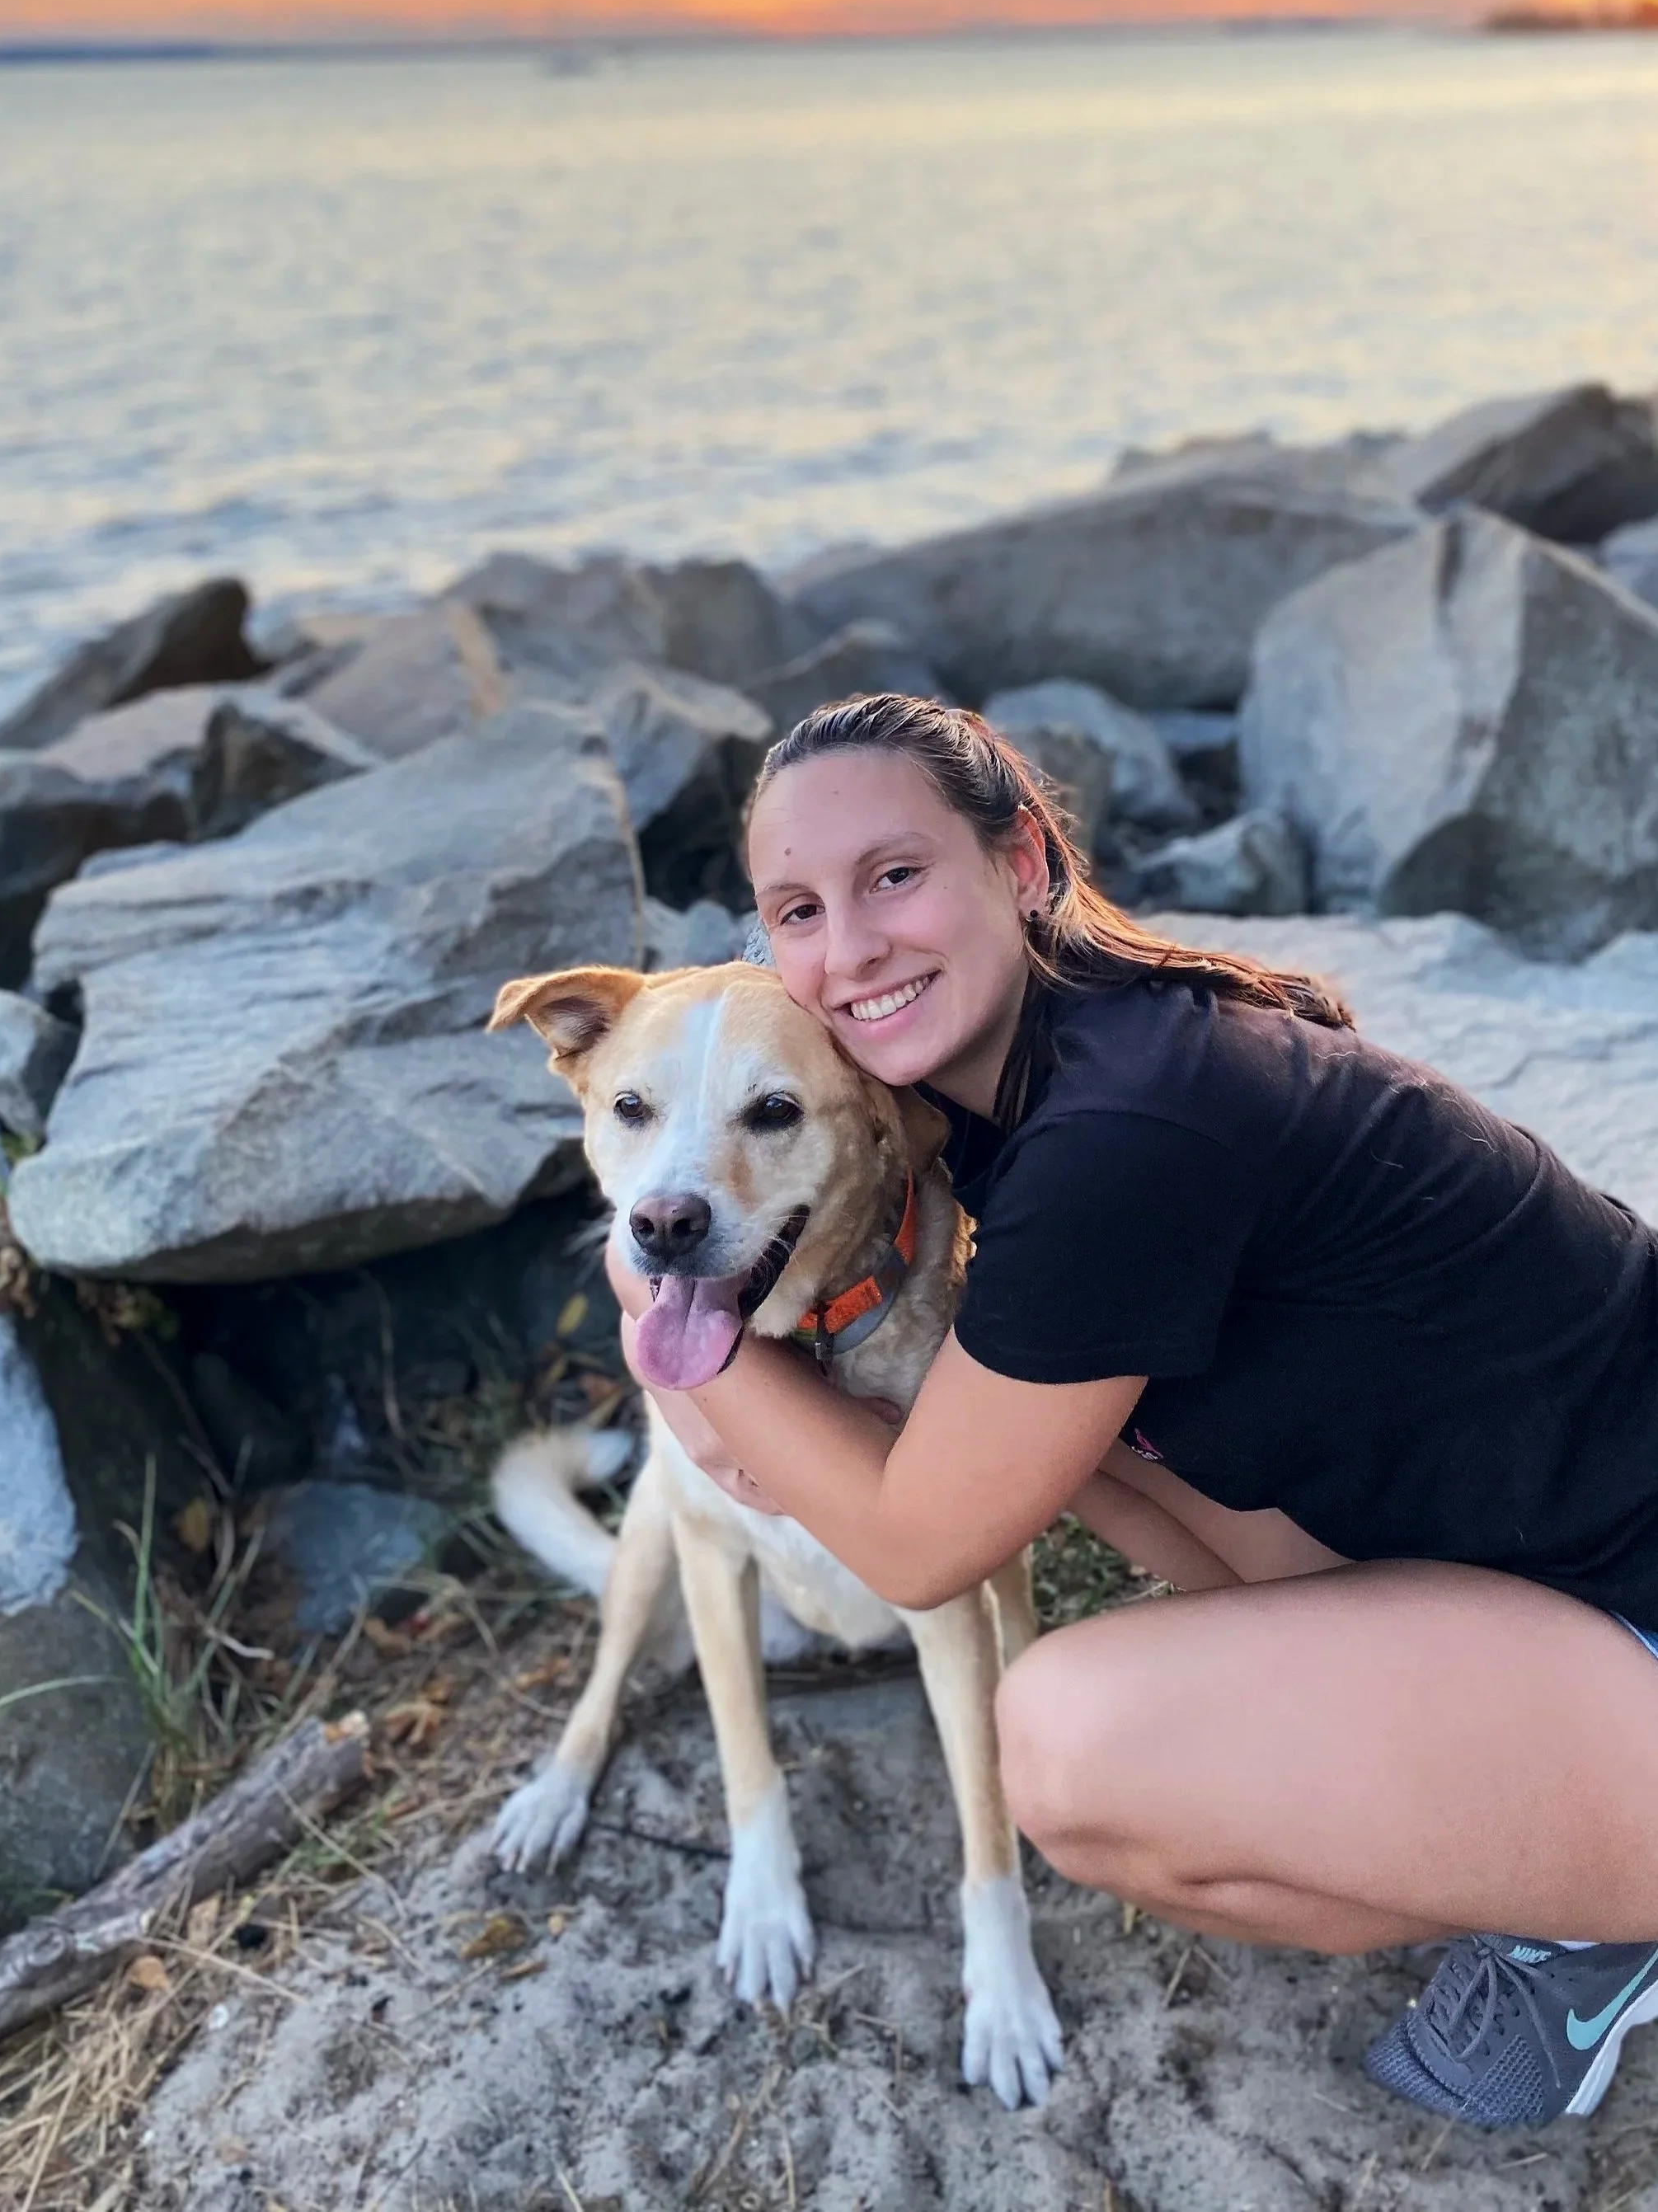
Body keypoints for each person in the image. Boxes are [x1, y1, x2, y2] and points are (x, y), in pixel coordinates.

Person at [607, 690, 1658, 2134]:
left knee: (1069, 1746)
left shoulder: (1123, 1137)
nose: (847, 949)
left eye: (894, 876)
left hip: (1627, 1606)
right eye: (797, 910)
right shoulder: (1058, 1068)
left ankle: (1595, 1916)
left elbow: (915, 1547)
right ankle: (1551, 1826)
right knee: (1076, 1446)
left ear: (1024, 861)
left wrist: (671, 1317)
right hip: (1559, 1566)